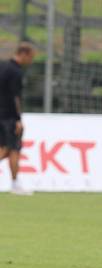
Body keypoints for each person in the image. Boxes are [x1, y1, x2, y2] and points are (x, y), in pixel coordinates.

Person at [0, 42, 36, 196]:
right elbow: (16, 98)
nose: (31, 61)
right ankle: (15, 184)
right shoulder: (16, 72)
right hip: (9, 117)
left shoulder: (3, 67)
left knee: (12, 150)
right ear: (24, 54)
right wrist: (18, 119)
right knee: (8, 149)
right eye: (31, 57)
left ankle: (15, 184)